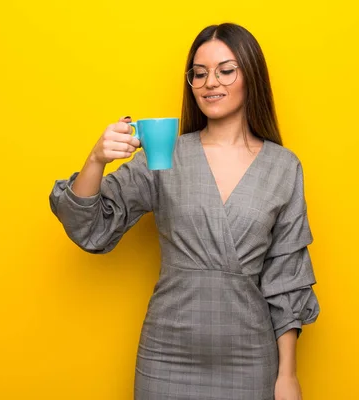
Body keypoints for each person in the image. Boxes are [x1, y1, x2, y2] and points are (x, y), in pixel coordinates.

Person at [49, 22, 320, 400]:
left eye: (226, 70)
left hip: (250, 356)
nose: (211, 82)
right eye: (199, 73)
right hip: (166, 353)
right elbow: (88, 225)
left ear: (251, 75)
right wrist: (96, 158)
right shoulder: (164, 155)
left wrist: (287, 376)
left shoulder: (283, 167)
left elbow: (286, 278)